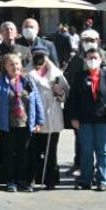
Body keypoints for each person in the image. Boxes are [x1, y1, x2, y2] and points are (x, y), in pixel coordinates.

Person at [67, 46, 106, 192]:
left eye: (95, 58)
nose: (92, 60)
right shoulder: (79, 76)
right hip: (84, 119)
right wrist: (73, 117)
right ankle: (85, 179)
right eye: (89, 58)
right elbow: (72, 99)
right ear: (85, 60)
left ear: (101, 60)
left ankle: (102, 180)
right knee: (86, 150)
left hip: (104, 119)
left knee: (103, 150)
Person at [0, 51, 45, 192]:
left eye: (17, 63)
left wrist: (39, 121)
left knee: (23, 154)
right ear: (5, 67)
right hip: (7, 124)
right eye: (11, 64)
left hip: (25, 124)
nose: (15, 66)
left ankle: (22, 181)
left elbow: (37, 100)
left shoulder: (28, 81)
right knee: (8, 154)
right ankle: (10, 181)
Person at [26, 50, 68, 189]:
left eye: (42, 56)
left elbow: (66, 93)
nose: (39, 59)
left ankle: (51, 179)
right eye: (36, 55)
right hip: (34, 117)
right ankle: (32, 179)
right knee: (33, 151)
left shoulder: (56, 74)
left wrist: (60, 92)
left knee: (51, 151)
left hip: (52, 116)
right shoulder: (26, 73)